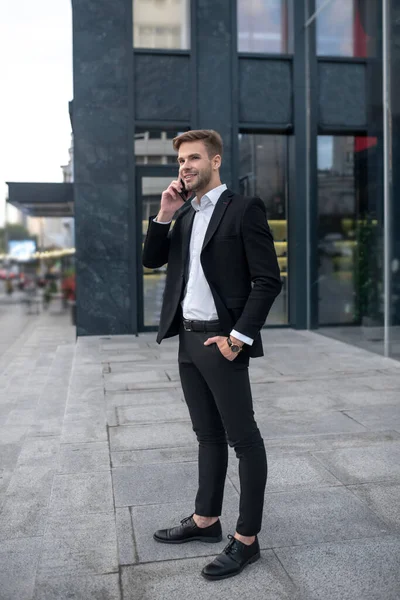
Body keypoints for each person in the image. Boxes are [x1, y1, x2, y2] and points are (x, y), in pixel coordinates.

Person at [142, 129, 282, 581]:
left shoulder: (243, 210)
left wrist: (237, 337)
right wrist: (164, 214)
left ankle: (247, 540)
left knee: (244, 439)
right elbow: (152, 260)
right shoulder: (182, 214)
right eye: (181, 160)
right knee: (206, 435)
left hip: (222, 343)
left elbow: (267, 280)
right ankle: (206, 520)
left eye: (194, 158)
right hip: (186, 340)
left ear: (215, 161)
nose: (185, 166)